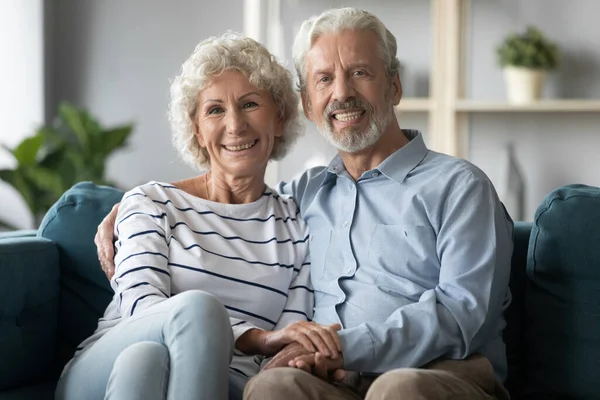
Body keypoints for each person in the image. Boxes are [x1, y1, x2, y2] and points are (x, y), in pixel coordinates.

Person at [96, 8, 514, 400]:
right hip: (331, 377)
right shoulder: (304, 194)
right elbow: (232, 196)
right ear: (308, 105)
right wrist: (134, 206)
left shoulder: (459, 186)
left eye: (360, 73)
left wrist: (347, 348)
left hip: (440, 372)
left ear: (395, 85)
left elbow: (462, 314)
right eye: (324, 79)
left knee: (396, 390)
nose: (343, 93)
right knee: (271, 387)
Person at [56, 32, 344, 400]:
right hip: (105, 364)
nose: (235, 125)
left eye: (250, 104)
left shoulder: (296, 226)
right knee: (158, 340)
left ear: (280, 118)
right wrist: (256, 337)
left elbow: (289, 341)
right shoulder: (151, 203)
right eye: (215, 110)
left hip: (227, 383)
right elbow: (141, 306)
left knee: (145, 364)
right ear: (197, 129)